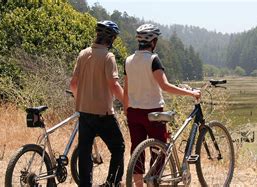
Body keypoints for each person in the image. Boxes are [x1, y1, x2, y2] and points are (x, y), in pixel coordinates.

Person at [123, 24, 201, 185]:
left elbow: (126, 88)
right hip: (153, 112)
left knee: (137, 150)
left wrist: (126, 108)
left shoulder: (128, 60)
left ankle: (137, 184)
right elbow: (165, 86)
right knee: (159, 150)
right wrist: (191, 93)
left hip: (133, 112)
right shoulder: (153, 59)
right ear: (153, 42)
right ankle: (154, 181)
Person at [70, 20, 125, 187]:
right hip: (104, 114)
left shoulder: (83, 54)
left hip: (84, 113)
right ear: (111, 39)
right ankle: (111, 183)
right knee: (118, 147)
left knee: (85, 153)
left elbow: (73, 84)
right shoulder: (108, 57)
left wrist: (83, 98)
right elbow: (114, 85)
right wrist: (127, 102)